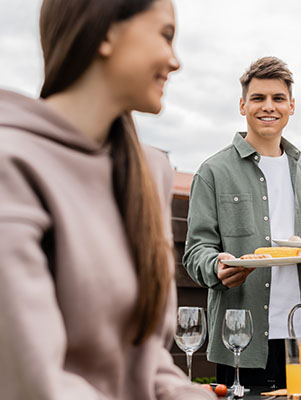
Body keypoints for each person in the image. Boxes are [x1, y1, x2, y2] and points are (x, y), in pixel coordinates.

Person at [0, 1, 214, 399]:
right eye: (165, 35)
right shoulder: (11, 164)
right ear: (107, 32)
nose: (175, 61)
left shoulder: (150, 171)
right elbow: (33, 383)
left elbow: (149, 363)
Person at [183, 56, 301, 388]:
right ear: (242, 105)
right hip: (241, 337)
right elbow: (195, 251)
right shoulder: (212, 172)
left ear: (291, 106)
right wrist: (217, 265)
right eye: (258, 98)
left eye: (278, 98)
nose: (268, 106)